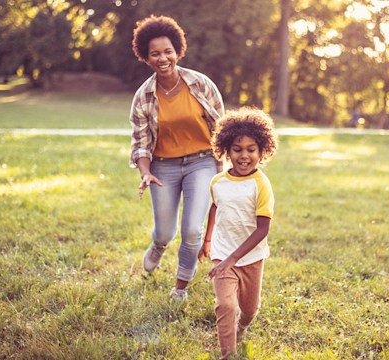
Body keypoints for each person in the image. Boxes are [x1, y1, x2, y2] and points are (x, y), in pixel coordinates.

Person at [129, 15, 225, 302]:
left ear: (178, 51)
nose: (163, 58)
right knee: (166, 232)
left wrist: (230, 164)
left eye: (168, 51)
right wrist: (145, 172)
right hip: (163, 166)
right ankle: (158, 247)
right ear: (145, 58)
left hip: (202, 161)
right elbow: (141, 143)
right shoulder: (144, 96)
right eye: (155, 53)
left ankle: (180, 287)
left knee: (193, 229)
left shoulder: (201, 83)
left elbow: (222, 127)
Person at [198, 107, 278, 359]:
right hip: (223, 254)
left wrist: (235, 258)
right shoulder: (217, 182)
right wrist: (207, 240)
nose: (244, 156)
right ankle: (227, 354)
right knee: (226, 305)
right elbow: (214, 208)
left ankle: (241, 328)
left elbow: (262, 228)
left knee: (249, 309)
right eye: (237, 149)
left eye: (251, 149)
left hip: (251, 258)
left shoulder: (261, 185)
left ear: (261, 151)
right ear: (226, 150)